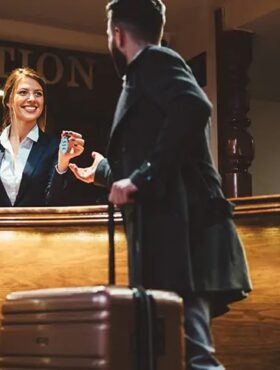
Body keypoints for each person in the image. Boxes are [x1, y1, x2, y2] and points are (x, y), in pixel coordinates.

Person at [69, 1, 252, 369]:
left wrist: (141, 177)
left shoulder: (153, 61)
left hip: (183, 239)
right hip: (171, 237)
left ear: (117, 34)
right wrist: (104, 172)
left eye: (109, 33)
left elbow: (193, 106)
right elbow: (156, 152)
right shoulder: (144, 73)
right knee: (173, 352)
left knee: (193, 354)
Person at [0, 67, 83, 207]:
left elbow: (53, 204)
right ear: (8, 101)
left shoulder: (53, 147)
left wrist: (63, 162)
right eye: (23, 92)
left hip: (35, 228)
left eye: (38, 94)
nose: (32, 99)